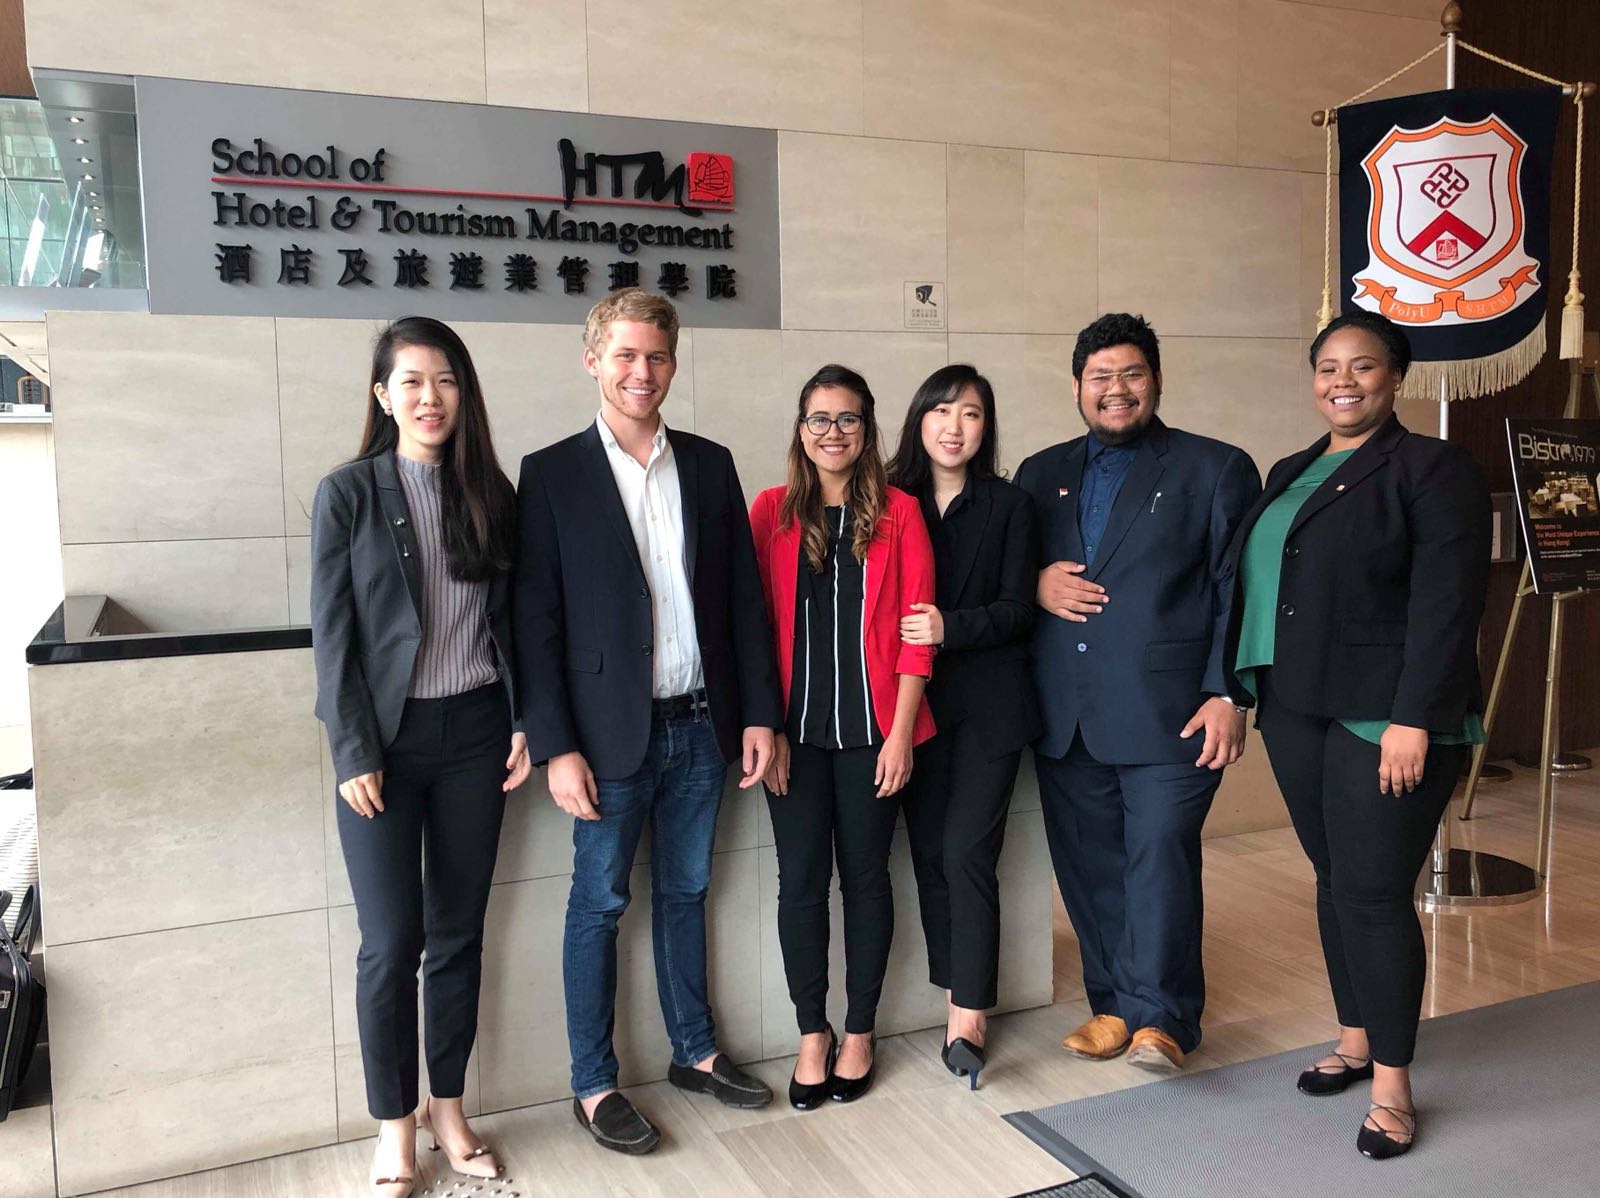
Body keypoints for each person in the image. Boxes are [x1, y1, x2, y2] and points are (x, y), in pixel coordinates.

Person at [513, 289, 782, 1156]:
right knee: (598, 905)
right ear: (593, 359)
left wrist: (760, 715)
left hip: (702, 726)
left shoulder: (708, 463)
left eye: (657, 356)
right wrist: (556, 746)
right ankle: (593, 1085)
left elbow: (743, 602)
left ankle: (694, 1052)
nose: (642, 371)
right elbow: (534, 623)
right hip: (604, 740)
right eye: (625, 355)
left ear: (673, 362)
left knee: (687, 893)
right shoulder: (550, 474)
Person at [1225, 309, 1489, 1159]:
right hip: (1295, 703)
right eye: (1328, 366)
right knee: (1335, 879)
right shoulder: (1290, 469)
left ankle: (1393, 1088)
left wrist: (1417, 717)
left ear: (1396, 377)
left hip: (1387, 714)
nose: (1343, 381)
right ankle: (1355, 1038)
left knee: (1374, 894)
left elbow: (1448, 603)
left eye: (1363, 365)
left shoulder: (1432, 467)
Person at [310, 317, 528, 1198]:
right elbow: (333, 636)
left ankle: (448, 1109)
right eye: (411, 381)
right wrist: (352, 747)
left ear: (463, 393)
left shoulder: (492, 493)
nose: (430, 397)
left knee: (458, 936)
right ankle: (393, 1126)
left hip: (477, 736)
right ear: (383, 395)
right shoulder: (349, 493)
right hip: (385, 748)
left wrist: (525, 722)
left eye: (445, 380)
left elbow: (513, 624)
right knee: (391, 942)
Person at [1014, 313, 1260, 1074]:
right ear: (1077, 387)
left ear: (1155, 381)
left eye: (1131, 374)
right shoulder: (1038, 473)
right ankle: (1114, 1006)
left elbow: (1238, 590)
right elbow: (997, 571)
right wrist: (1033, 583)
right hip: (1067, 711)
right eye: (1100, 377)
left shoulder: (1215, 467)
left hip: (1174, 712)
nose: (1115, 390)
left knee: (1159, 856)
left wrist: (1229, 694)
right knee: (1090, 865)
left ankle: (1164, 1018)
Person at [750, 364, 936, 1109]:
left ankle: (859, 1030)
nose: (834, 432)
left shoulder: (900, 512)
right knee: (799, 883)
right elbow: (752, 630)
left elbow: (917, 632)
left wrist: (901, 735)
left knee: (865, 880)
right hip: (793, 738)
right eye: (820, 419)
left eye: (849, 419)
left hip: (873, 735)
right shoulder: (770, 512)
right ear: (801, 429)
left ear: (868, 429)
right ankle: (812, 1032)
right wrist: (765, 727)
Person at [886, 365, 1039, 1089]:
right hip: (907, 710)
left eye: (971, 414)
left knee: (966, 852)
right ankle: (955, 982)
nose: (954, 427)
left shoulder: (1010, 505)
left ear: (986, 427)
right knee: (928, 856)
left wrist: (951, 626)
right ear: (919, 420)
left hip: (990, 709)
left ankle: (968, 1014)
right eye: (941, 411)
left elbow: (1019, 610)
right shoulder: (888, 500)